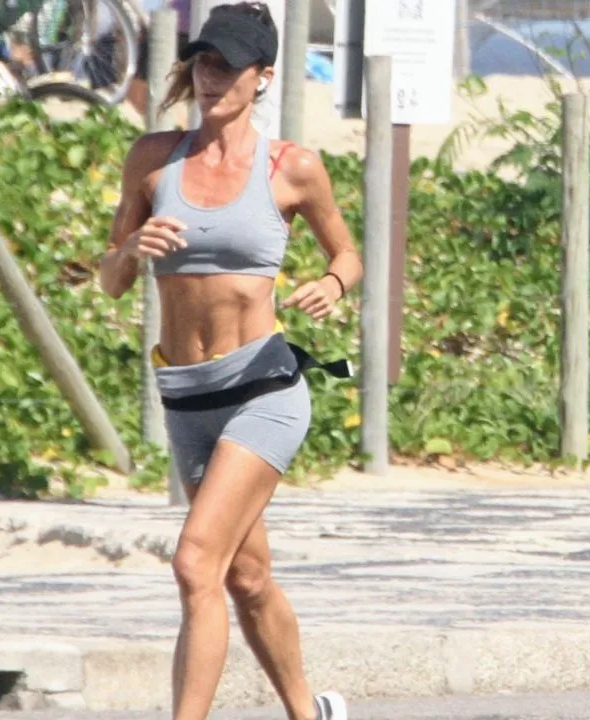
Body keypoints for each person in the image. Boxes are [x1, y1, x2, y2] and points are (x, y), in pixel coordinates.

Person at [97, 3, 362, 720]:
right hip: (186, 395)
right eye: (204, 62)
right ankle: (312, 713)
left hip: (262, 388)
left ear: (264, 76)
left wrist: (332, 284)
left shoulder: (292, 168)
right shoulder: (153, 159)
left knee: (194, 564)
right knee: (245, 576)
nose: (211, 78)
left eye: (228, 66)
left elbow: (348, 251)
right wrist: (129, 251)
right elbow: (111, 277)